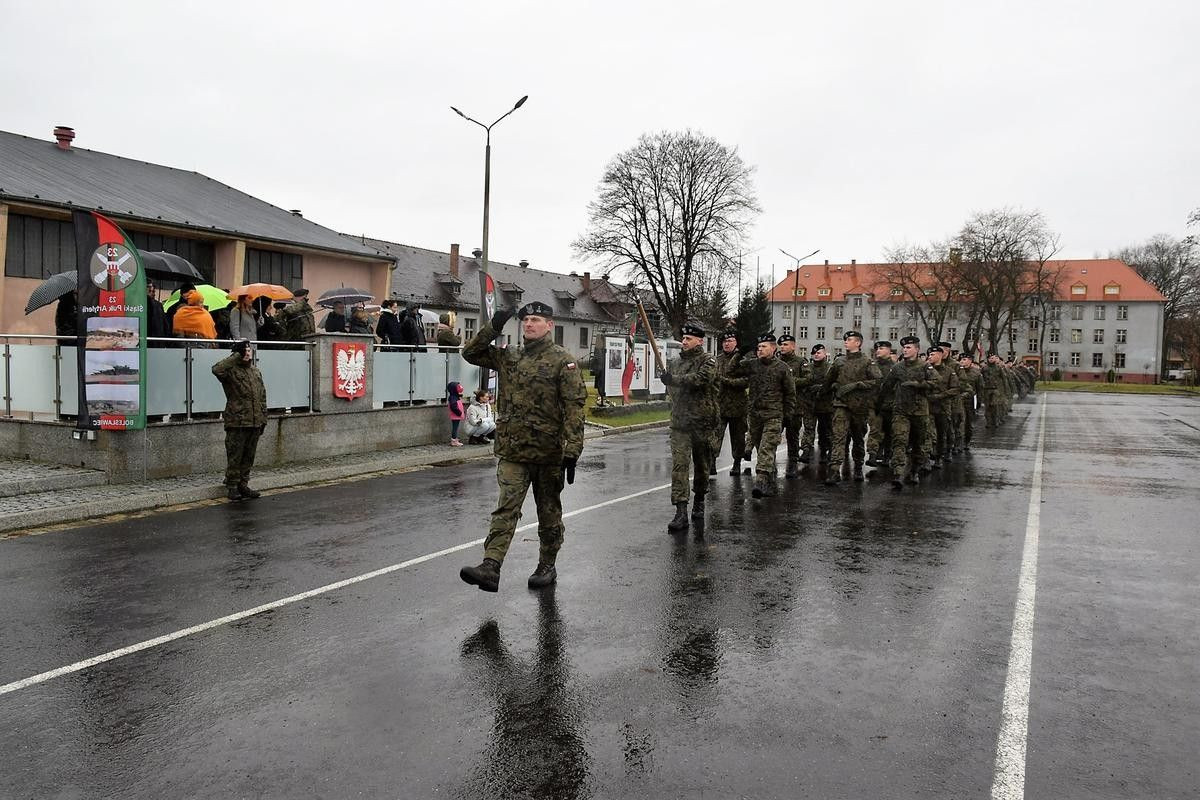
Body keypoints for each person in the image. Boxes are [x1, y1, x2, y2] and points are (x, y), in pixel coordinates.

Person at [459, 300, 586, 593]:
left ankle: (546, 564)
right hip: (513, 449)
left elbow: (575, 407)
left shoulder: (562, 361)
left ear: (549, 326)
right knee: (506, 508)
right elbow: (471, 352)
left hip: (547, 452)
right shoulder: (509, 355)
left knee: (548, 512)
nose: (529, 324)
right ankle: (491, 567)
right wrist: (494, 325)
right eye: (525, 320)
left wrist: (572, 449)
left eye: (536, 320)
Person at [661, 321, 717, 532]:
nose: (684, 342)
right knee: (679, 466)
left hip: (702, 422)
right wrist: (668, 380)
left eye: (688, 339)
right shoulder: (675, 363)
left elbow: (702, 380)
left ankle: (700, 499)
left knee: (702, 466)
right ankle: (680, 510)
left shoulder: (708, 361)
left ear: (699, 341)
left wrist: (674, 379)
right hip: (680, 423)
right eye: (683, 338)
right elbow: (673, 389)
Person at [729, 333, 796, 499]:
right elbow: (731, 370)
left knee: (766, 448)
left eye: (764, 347)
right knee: (761, 449)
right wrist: (739, 353)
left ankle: (759, 481)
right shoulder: (752, 365)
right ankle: (769, 482)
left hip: (773, 415)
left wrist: (787, 415)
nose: (760, 350)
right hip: (755, 415)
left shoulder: (782, 368)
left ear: (773, 348)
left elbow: (790, 393)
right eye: (758, 347)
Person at [823, 330, 883, 485]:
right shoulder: (839, 361)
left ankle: (857, 467)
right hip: (841, 404)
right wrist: (831, 389)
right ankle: (835, 469)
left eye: (849, 340)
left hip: (859, 406)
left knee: (857, 437)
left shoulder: (867, 361)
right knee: (838, 437)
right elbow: (828, 381)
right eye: (845, 340)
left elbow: (877, 381)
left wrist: (857, 385)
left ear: (858, 343)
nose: (846, 342)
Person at [212, 339, 267, 500]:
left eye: (249, 350)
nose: (247, 353)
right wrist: (236, 355)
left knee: (249, 455)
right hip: (237, 421)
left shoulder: (255, 372)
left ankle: (243, 484)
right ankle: (232, 485)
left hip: (254, 420)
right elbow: (216, 369)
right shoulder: (230, 371)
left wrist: (263, 418)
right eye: (244, 351)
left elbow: (262, 396)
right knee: (235, 455)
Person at [879, 336, 934, 489]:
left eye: (909, 347)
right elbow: (886, 386)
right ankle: (897, 472)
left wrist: (919, 385)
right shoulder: (897, 368)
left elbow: (937, 383)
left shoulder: (925, 366)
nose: (905, 350)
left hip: (920, 411)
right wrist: (879, 404)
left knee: (919, 443)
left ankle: (914, 471)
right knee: (899, 440)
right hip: (901, 410)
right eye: (904, 347)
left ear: (917, 349)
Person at [711, 330, 749, 476]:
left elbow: (746, 381)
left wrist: (727, 382)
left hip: (737, 405)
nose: (727, 344)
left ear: (736, 343)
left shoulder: (743, 360)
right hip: (719, 404)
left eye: (730, 341)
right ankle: (712, 462)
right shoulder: (717, 360)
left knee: (738, 437)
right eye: (725, 341)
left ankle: (737, 463)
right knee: (715, 435)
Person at [776, 334, 808, 478]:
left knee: (792, 435)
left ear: (793, 346)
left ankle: (793, 463)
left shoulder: (801, 362)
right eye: (781, 345)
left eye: (786, 344)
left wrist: (789, 380)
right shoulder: (775, 362)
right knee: (774, 435)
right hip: (777, 405)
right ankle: (769, 465)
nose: (783, 347)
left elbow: (808, 379)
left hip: (795, 405)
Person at [801, 343, 834, 463]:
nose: (816, 354)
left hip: (826, 405)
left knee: (826, 430)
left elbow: (834, 384)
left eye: (819, 352)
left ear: (825, 354)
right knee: (809, 428)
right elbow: (803, 382)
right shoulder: (807, 367)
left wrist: (821, 388)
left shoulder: (830, 368)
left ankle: (828, 451)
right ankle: (806, 450)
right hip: (810, 404)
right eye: (814, 353)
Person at [867, 341, 895, 467]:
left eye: (881, 348)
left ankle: (887, 456)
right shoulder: (872, 366)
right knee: (875, 430)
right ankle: (872, 455)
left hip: (890, 405)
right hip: (875, 404)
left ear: (889, 350)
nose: (878, 350)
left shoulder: (895, 367)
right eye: (877, 348)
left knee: (889, 432)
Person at [957, 353, 982, 453]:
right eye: (961, 360)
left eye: (965, 359)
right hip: (958, 401)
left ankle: (967, 441)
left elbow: (980, 388)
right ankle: (958, 443)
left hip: (970, 401)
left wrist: (979, 402)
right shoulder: (957, 371)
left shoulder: (976, 373)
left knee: (968, 424)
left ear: (970, 361)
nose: (963, 362)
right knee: (958, 422)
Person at [981, 353, 1006, 428]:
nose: (991, 360)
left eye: (992, 358)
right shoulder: (984, 368)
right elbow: (981, 378)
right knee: (987, 407)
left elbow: (1003, 378)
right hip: (987, 389)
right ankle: (988, 422)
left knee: (995, 406)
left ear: (995, 359)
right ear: (988, 359)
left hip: (996, 389)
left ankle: (996, 421)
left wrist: (1004, 389)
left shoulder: (998, 368)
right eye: (990, 358)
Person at [447, 381, 466, 446]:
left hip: (457, 415)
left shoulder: (454, 396)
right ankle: (454, 441)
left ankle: (455, 438)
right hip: (456, 415)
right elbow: (453, 407)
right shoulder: (453, 397)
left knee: (456, 427)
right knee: (455, 428)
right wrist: (459, 413)